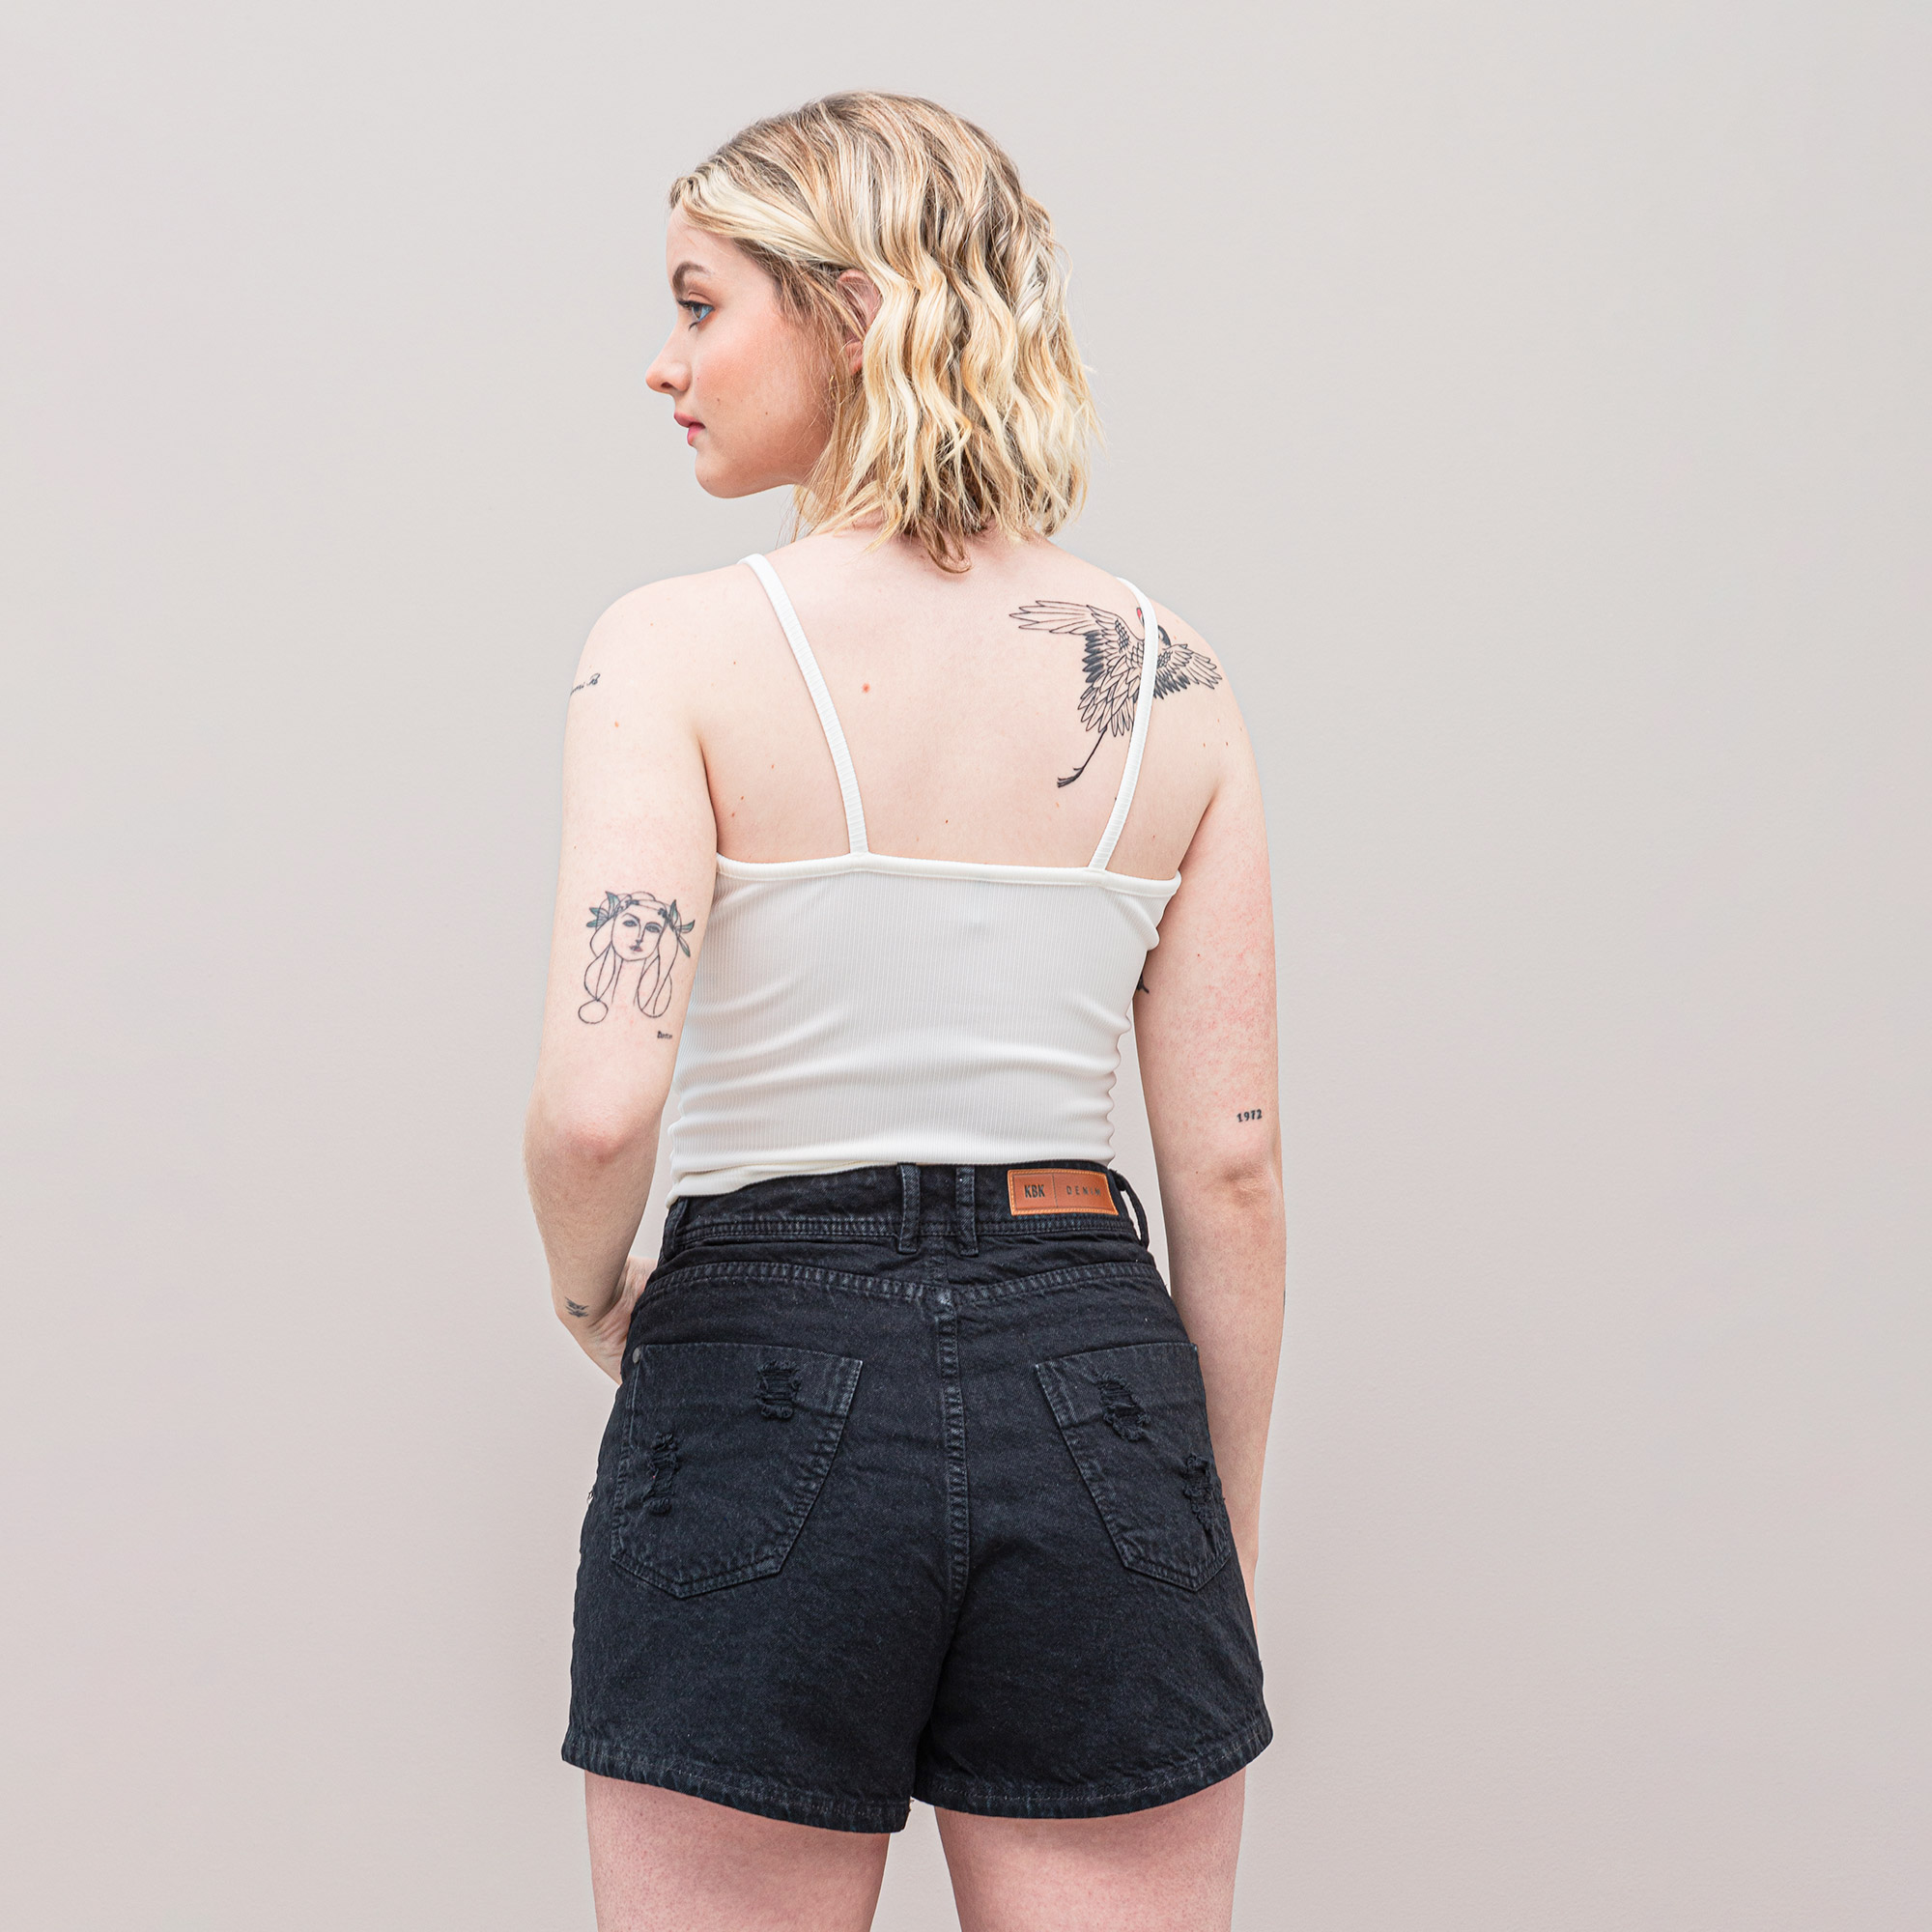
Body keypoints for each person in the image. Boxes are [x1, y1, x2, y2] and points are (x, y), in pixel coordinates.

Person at [524, 91, 1285, 1932]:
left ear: (851, 312)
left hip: (763, 1358)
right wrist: (1204, 1531)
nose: (663, 365)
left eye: (700, 305)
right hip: (1097, 1373)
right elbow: (1233, 1178)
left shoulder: (675, 647)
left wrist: (590, 1296)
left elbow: (599, 1106)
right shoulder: (1174, 680)